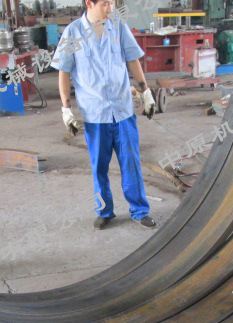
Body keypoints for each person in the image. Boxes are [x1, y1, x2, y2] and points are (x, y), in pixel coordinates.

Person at [52, 0, 157, 230]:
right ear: (89, 3)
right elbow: (64, 72)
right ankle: (104, 211)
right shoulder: (73, 33)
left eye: (112, 3)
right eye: (106, 4)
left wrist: (146, 92)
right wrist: (66, 109)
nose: (111, 9)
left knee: (131, 163)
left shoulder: (117, 25)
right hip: (95, 114)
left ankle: (139, 210)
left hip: (122, 110)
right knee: (99, 167)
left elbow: (132, 59)